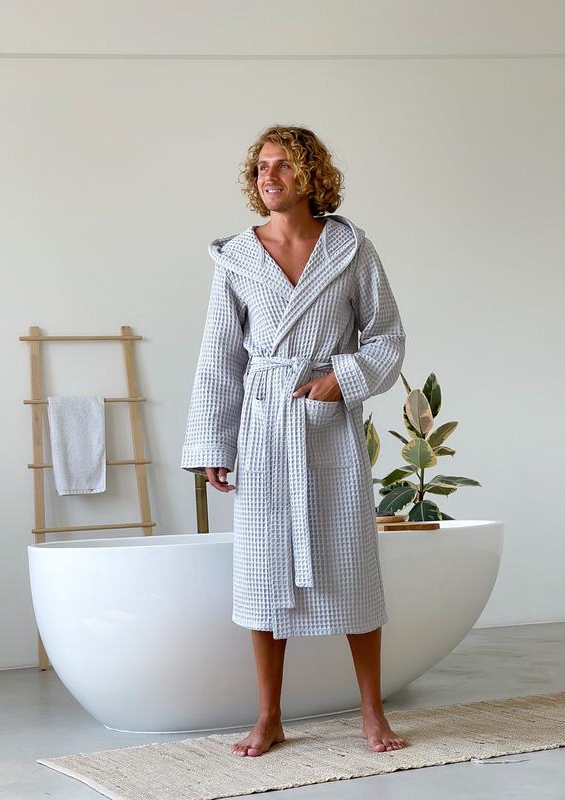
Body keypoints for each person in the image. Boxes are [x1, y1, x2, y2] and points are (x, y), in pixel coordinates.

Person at [181, 125, 407, 757]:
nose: (268, 176)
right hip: (264, 428)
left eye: (282, 165)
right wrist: (213, 443)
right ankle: (269, 715)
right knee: (262, 572)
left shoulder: (350, 249)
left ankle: (372, 711)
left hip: (329, 431)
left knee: (352, 567)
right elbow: (220, 357)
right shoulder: (237, 257)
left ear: (310, 175)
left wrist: (344, 379)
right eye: (261, 167)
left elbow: (387, 335)